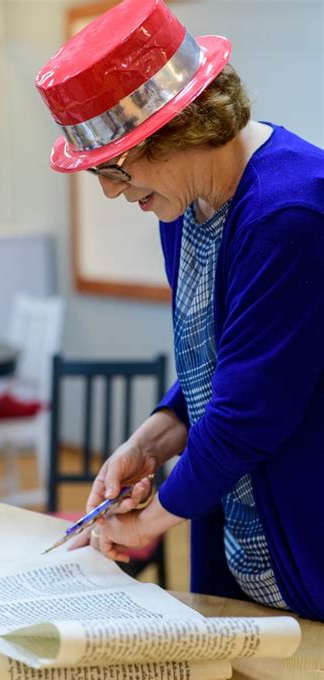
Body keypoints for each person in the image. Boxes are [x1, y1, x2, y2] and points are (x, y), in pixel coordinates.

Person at [35, 0, 324, 620]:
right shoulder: (185, 206)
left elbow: (250, 410)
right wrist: (152, 437)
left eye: (114, 167)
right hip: (245, 549)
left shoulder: (288, 213)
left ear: (179, 129)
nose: (112, 190)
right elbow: (223, 358)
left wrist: (152, 520)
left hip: (308, 549)